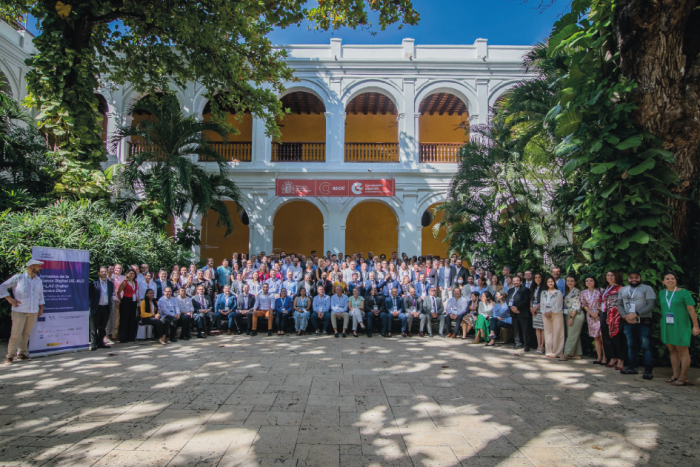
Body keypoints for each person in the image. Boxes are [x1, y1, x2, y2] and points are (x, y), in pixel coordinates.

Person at [659, 272, 700, 386]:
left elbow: (691, 310)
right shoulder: (662, 293)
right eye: (667, 279)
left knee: (683, 350)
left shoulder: (684, 293)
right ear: (663, 282)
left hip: (681, 325)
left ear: (676, 281)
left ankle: (684, 376)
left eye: (673, 278)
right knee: (672, 350)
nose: (670, 280)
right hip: (667, 325)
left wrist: (695, 326)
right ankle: (675, 374)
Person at [1, 259, 45, 364]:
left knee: (26, 334)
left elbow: (40, 295)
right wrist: (9, 299)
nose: (40, 268)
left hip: (33, 311)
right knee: (16, 334)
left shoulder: (38, 280)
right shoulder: (19, 278)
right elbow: (2, 287)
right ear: (31, 267)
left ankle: (22, 353)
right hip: (19, 311)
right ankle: (10, 356)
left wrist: (41, 308)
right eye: (38, 266)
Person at [617, 271, 656, 378]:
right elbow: (619, 304)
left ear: (640, 278)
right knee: (631, 345)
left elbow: (651, 304)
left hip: (643, 321)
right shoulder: (623, 289)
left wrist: (636, 314)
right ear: (628, 279)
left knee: (645, 346)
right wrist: (626, 316)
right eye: (631, 278)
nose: (634, 279)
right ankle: (632, 367)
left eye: (636, 277)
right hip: (628, 321)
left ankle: (648, 370)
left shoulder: (647, 288)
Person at [601, 270, 625, 370]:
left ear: (616, 276)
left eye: (612, 275)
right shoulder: (606, 288)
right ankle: (612, 357)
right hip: (604, 314)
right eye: (608, 275)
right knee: (607, 338)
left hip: (616, 316)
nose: (609, 277)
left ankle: (621, 359)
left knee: (617, 338)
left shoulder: (620, 288)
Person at [88, 266, 113, 351]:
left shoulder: (110, 284)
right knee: (94, 326)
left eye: (105, 271)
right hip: (96, 307)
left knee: (103, 326)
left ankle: (100, 342)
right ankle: (94, 343)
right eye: (102, 272)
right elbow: (89, 296)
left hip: (106, 307)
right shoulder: (93, 283)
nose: (104, 273)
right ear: (99, 273)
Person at [581, 275, 604, 364]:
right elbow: (584, 304)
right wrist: (591, 313)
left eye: (591, 280)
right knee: (596, 337)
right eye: (587, 281)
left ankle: (605, 357)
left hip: (600, 315)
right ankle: (599, 357)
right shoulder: (583, 292)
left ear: (595, 282)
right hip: (590, 316)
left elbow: (604, 302)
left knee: (602, 336)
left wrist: (598, 311)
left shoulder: (601, 290)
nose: (589, 282)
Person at [507, 276, 532, 351]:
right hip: (514, 312)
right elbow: (507, 299)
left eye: (517, 281)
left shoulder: (525, 289)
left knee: (525, 330)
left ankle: (526, 345)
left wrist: (517, 307)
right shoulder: (510, 290)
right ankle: (517, 343)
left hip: (522, 312)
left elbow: (525, 300)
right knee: (516, 329)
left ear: (521, 281)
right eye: (514, 281)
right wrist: (512, 308)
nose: (515, 282)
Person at [561, 276, 584, 361]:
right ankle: (577, 353)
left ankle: (566, 354)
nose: (569, 282)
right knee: (573, 333)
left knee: (571, 335)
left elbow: (576, 306)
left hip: (575, 315)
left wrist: (571, 317)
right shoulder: (568, 291)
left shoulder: (577, 291)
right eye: (568, 281)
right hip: (568, 314)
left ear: (575, 282)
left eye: (572, 281)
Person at [542, 276, 565, 358]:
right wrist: (545, 313)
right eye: (549, 282)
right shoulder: (544, 292)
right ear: (546, 283)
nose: (550, 283)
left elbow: (559, 305)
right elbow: (542, 304)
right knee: (548, 332)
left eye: (552, 281)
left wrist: (550, 312)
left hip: (556, 314)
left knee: (558, 332)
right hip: (545, 314)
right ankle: (549, 351)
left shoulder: (558, 292)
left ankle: (557, 352)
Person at [116, 269, 139, 343]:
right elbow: (118, 292)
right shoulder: (124, 282)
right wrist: (121, 300)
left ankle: (131, 337)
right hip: (126, 300)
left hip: (134, 301)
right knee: (124, 319)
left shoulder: (135, 282)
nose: (132, 275)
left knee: (132, 319)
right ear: (127, 274)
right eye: (131, 273)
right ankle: (123, 338)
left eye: (133, 274)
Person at [107, 263, 124, 343]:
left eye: (120, 268)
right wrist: (116, 299)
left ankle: (115, 335)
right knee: (110, 318)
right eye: (117, 268)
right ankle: (107, 335)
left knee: (117, 319)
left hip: (121, 300)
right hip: (111, 300)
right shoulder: (111, 278)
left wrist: (119, 300)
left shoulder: (123, 278)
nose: (118, 270)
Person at [530, 273, 545, 354]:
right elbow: (531, 299)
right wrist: (531, 308)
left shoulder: (544, 288)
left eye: (539, 277)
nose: (537, 279)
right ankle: (538, 345)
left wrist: (536, 308)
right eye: (536, 277)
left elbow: (543, 300)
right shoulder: (533, 287)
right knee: (537, 328)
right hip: (534, 310)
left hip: (541, 309)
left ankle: (542, 346)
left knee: (542, 328)